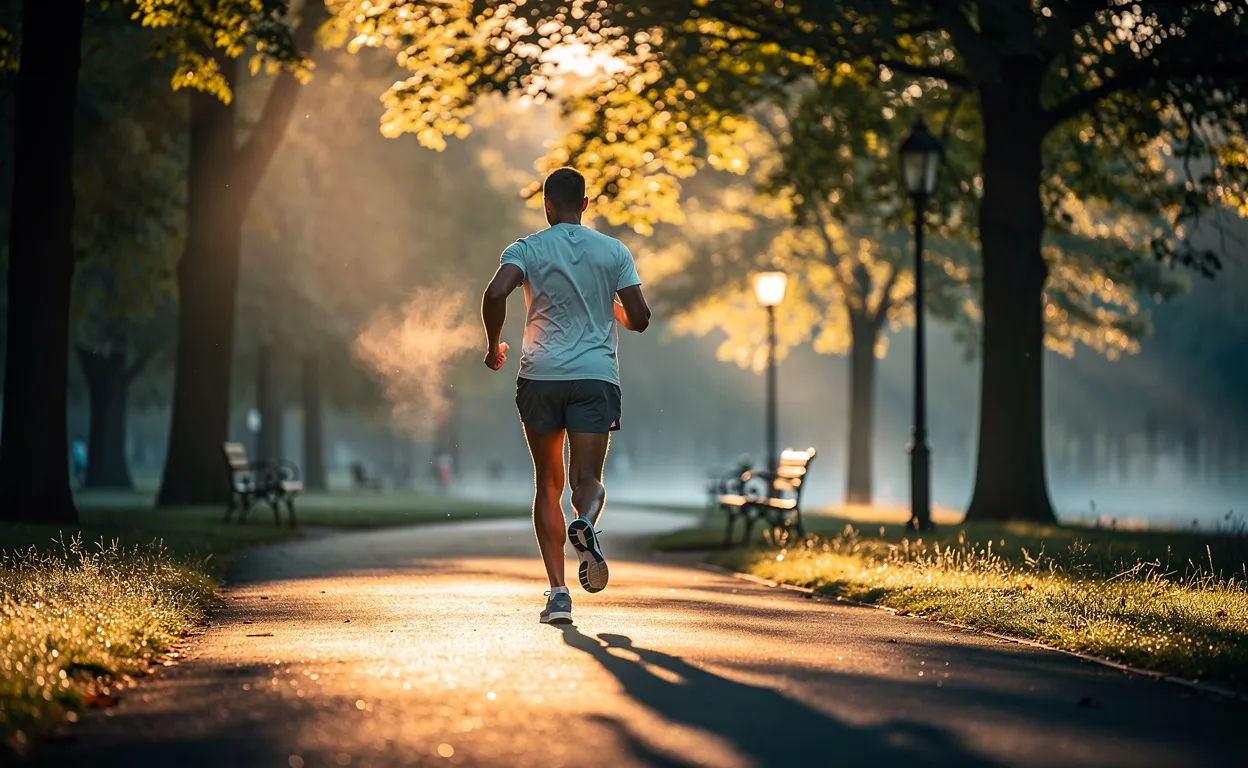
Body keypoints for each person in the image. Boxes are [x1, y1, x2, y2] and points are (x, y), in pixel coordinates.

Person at [481, 167, 651, 625]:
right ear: (586, 204)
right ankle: (588, 526)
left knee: (549, 484)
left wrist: (493, 343)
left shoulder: (528, 248)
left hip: (540, 376)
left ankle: (558, 595)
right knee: (586, 479)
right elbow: (640, 318)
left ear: (547, 205)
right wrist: (608, 304)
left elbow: (496, 291)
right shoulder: (613, 251)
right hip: (595, 377)